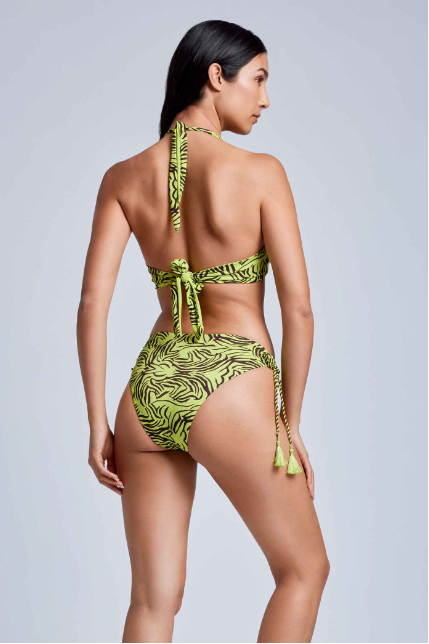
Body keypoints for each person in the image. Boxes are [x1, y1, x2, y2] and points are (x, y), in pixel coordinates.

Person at [77, 19, 330, 643]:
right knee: (303, 571)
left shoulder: (123, 177)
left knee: (152, 601)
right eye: (258, 79)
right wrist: (290, 422)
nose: (265, 98)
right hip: (232, 382)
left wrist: (98, 423)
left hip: (150, 387)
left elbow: (92, 304)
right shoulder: (261, 172)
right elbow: (298, 309)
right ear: (216, 76)